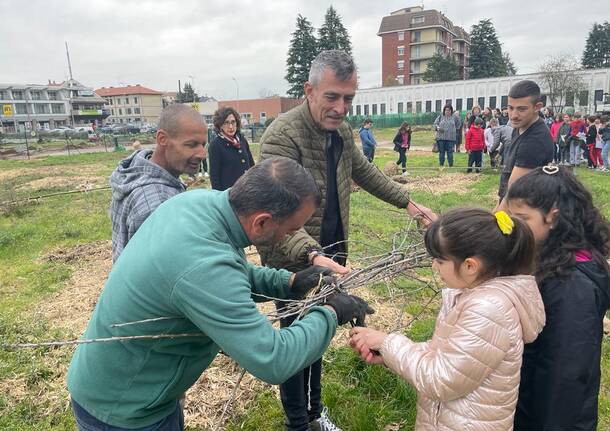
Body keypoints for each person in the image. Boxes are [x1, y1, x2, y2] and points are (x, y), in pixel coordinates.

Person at [67, 157, 374, 431]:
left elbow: (231, 273)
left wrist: (290, 282)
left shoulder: (200, 205)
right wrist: (331, 312)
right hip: (124, 408)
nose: (291, 236)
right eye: (291, 229)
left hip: (134, 386)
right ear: (262, 222)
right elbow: (272, 358)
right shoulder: (203, 264)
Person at [259, 49, 437, 431]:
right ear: (309, 90)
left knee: (319, 332)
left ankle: (315, 410)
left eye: (349, 98)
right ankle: (297, 423)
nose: (341, 108)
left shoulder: (340, 132)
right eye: (333, 97)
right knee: (294, 344)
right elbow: (276, 216)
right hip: (292, 263)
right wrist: (310, 255)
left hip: (331, 252)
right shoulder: (281, 137)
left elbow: (365, 172)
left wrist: (409, 203)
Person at [349, 207, 544, 431]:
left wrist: (388, 343)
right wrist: (389, 355)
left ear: (470, 266)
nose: (434, 266)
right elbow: (451, 354)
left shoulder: (488, 310)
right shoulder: (476, 297)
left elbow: (441, 379)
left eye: (440, 261)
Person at [507, 167, 610, 431]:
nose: (513, 226)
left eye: (521, 218)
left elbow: (566, 372)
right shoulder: (549, 258)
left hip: (552, 417)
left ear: (552, 216)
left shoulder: (571, 286)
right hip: (533, 404)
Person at [110, 104, 207, 263]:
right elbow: (165, 271)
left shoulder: (136, 171)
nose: (202, 154)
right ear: (162, 139)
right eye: (192, 145)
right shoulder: (157, 203)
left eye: (203, 144)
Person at [496, 80, 554, 210]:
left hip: (522, 210)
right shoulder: (520, 127)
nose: (514, 115)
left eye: (521, 109)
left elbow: (514, 192)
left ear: (537, 107)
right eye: (510, 108)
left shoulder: (535, 140)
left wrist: (493, 221)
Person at [208, 106, 255, 191]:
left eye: (233, 122)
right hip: (229, 194)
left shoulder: (241, 139)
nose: (230, 126)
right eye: (226, 123)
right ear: (220, 125)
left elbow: (252, 165)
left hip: (248, 190)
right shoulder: (215, 145)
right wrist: (218, 198)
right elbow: (214, 176)